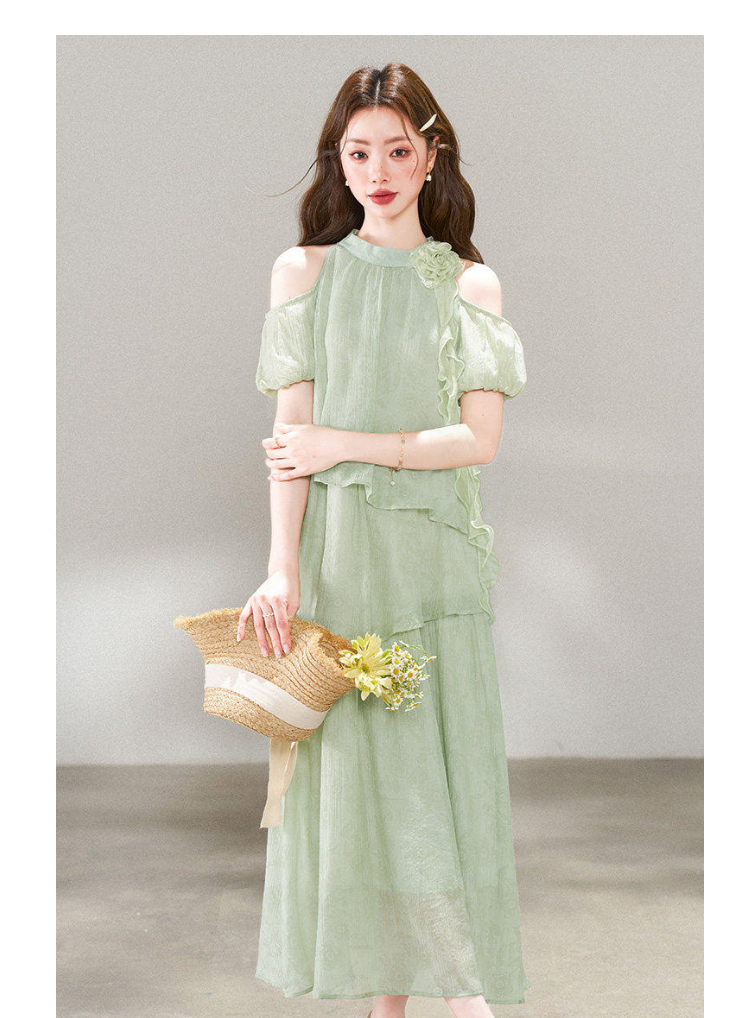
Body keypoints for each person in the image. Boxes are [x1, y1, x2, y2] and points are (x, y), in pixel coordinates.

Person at [237, 62, 530, 1018]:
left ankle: (464, 993)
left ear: (431, 155)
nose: (378, 173)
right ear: (339, 161)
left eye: (398, 152)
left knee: (430, 777)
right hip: (341, 567)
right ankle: (393, 1005)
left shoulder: (470, 285)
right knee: (362, 788)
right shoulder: (305, 273)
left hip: (436, 569)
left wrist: (343, 444)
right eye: (358, 154)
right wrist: (281, 570)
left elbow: (477, 441)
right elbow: (289, 443)